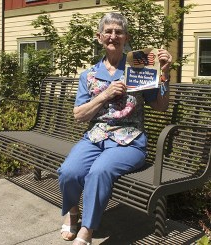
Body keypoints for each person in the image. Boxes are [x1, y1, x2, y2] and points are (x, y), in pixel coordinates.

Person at [57, 12, 172, 245]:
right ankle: (73, 212)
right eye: (108, 31)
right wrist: (105, 96)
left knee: (98, 172)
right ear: (99, 37)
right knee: (69, 171)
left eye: (118, 32)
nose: (113, 36)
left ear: (126, 37)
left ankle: (87, 231)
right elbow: (79, 115)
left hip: (129, 140)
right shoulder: (88, 75)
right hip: (96, 136)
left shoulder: (138, 70)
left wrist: (165, 74)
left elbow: (160, 106)